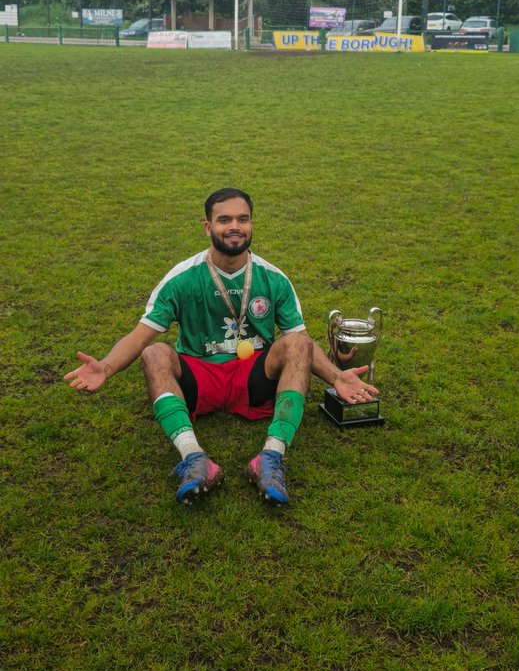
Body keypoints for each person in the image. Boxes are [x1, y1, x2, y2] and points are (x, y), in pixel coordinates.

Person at [64, 187, 378, 506]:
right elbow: (141, 334)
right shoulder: (182, 278)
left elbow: (303, 343)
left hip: (254, 377)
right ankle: (195, 458)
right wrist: (106, 366)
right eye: (224, 219)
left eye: (243, 219)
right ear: (208, 227)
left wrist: (337, 377)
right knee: (154, 352)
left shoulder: (273, 279)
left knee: (296, 341)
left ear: (252, 224)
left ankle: (270, 457)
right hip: (200, 377)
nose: (235, 227)